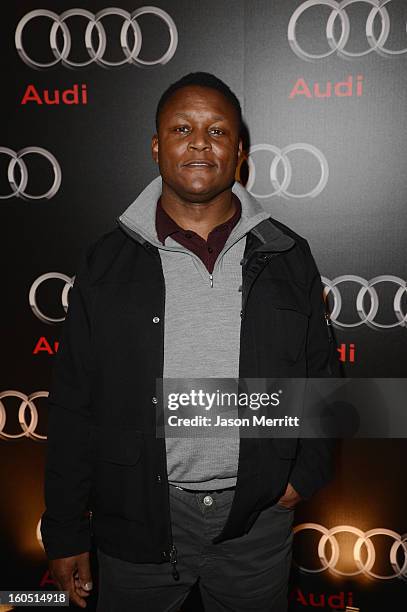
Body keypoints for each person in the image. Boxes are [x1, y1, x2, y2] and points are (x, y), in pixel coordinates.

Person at [41, 72, 340, 612]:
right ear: (157, 147)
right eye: (182, 128)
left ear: (239, 151)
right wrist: (64, 532)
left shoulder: (289, 254)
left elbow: (322, 375)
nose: (200, 141)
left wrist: (301, 475)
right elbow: (72, 403)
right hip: (136, 519)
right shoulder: (105, 262)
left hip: (257, 522)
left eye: (217, 131)